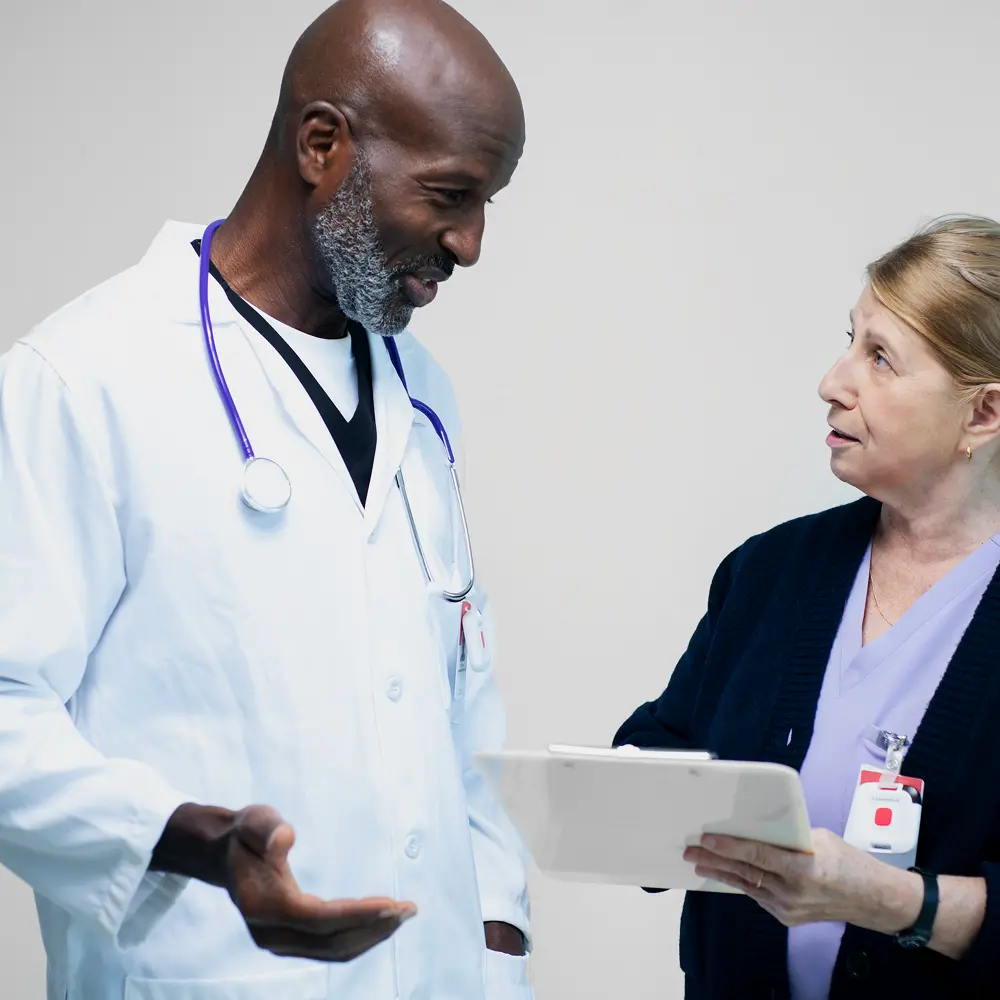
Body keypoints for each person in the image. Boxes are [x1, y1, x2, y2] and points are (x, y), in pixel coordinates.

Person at [0, 2, 532, 998]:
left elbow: (460, 705)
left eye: (488, 202)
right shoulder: (85, 379)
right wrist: (192, 840)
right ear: (322, 143)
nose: (469, 245)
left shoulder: (421, 392)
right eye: (450, 194)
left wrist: (498, 936)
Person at [615, 215, 1000, 999]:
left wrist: (895, 902)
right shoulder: (770, 573)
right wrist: (618, 793)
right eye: (851, 339)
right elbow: (665, 745)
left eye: (881, 358)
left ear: (984, 415)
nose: (834, 380)